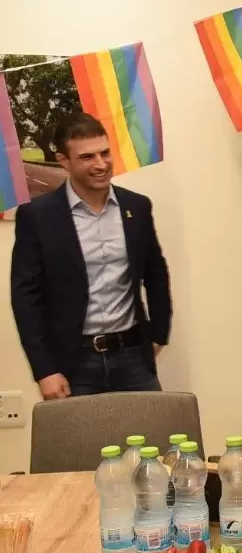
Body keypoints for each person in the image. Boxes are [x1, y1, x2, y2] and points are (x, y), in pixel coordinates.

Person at [10, 112, 171, 398]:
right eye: (87, 157)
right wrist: (44, 370)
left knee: (151, 427)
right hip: (73, 364)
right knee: (80, 430)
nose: (101, 164)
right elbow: (26, 299)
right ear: (63, 161)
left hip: (133, 358)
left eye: (105, 153)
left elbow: (155, 273)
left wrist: (159, 332)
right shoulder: (37, 217)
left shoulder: (137, 207)